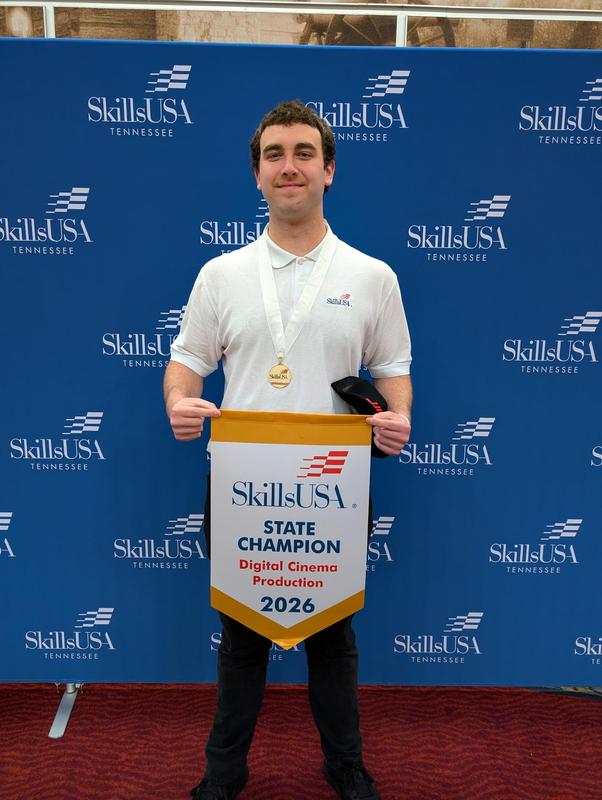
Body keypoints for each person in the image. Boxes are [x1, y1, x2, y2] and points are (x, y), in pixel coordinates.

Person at [164, 100, 412, 800]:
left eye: (304, 152)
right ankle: (223, 772)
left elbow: (394, 372)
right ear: (257, 176)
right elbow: (185, 362)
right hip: (243, 485)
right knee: (241, 640)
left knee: (334, 640)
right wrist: (179, 403)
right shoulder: (221, 275)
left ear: (328, 170)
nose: (289, 166)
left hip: (334, 487)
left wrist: (398, 421)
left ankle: (346, 765)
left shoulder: (372, 277)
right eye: (274, 154)